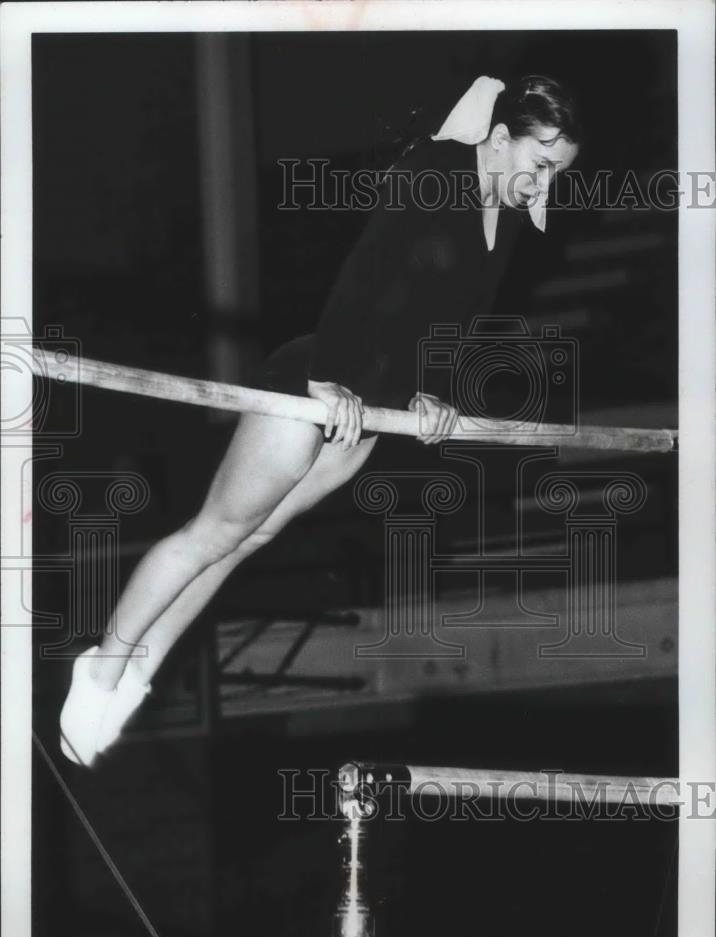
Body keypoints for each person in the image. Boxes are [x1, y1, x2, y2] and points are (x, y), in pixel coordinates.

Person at [60, 73, 581, 766]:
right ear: (497, 140)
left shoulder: (509, 216)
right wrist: (324, 378)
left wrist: (430, 397)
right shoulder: (434, 172)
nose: (544, 185)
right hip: (318, 389)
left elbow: (452, 322)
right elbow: (364, 278)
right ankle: (102, 665)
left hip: (370, 414)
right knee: (213, 531)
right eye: (541, 166)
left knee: (246, 542)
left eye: (557, 175)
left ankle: (139, 668)